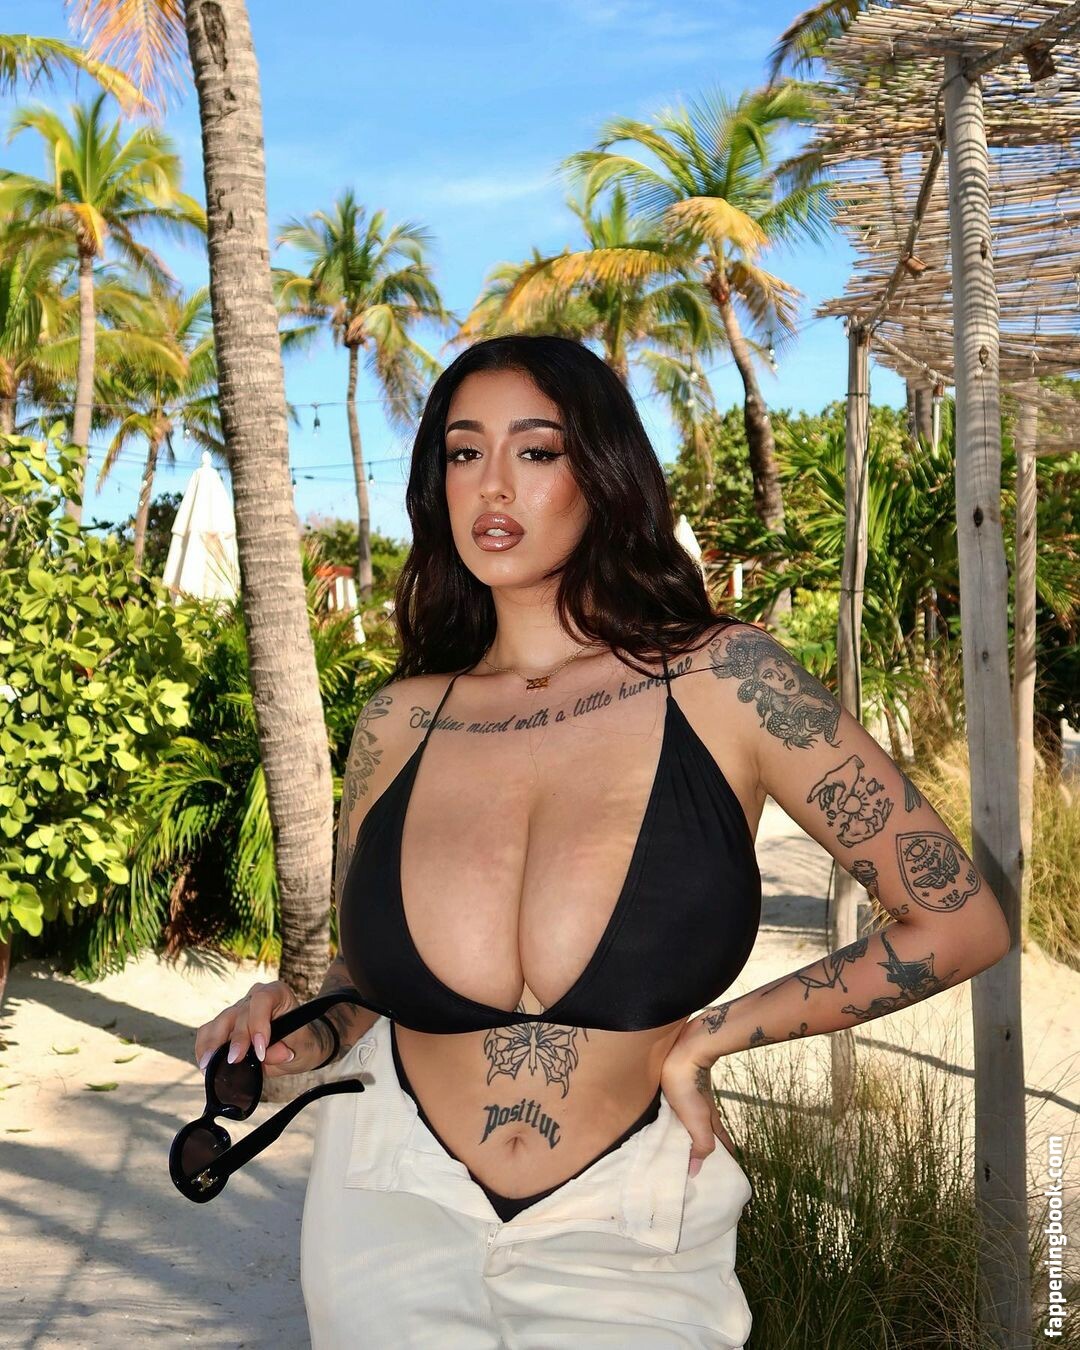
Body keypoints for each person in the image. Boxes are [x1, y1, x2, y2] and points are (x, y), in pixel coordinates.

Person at [193, 335, 1011, 1347]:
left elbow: (958, 921)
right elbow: (365, 981)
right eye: (463, 452)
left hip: (632, 1222)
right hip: (384, 1203)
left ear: (604, 476)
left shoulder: (728, 680)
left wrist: (715, 1036)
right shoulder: (398, 722)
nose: (493, 484)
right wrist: (297, 1028)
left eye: (536, 451)